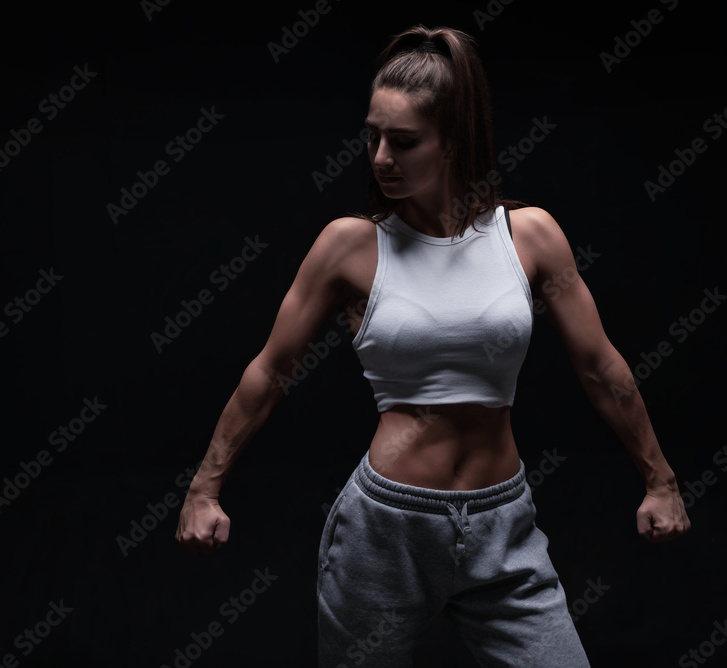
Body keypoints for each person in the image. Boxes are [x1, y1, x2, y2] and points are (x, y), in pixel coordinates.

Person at [175, 24, 690, 666]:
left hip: (504, 527)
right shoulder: (349, 246)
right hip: (382, 530)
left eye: (404, 140)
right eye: (373, 136)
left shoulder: (529, 237)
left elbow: (598, 365)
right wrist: (204, 488)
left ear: (453, 141)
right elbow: (269, 370)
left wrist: (660, 480)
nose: (381, 156)